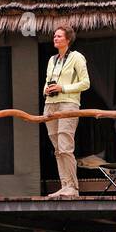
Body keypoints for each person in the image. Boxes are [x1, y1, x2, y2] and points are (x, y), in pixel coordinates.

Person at [43, 24, 89, 199]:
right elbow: (48, 81)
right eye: (54, 36)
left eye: (59, 36)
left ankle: (72, 187)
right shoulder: (52, 60)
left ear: (68, 40)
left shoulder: (77, 57)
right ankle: (64, 186)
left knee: (65, 147)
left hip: (68, 103)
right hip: (51, 104)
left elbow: (85, 83)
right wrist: (46, 90)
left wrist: (64, 88)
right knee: (57, 149)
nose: (55, 38)